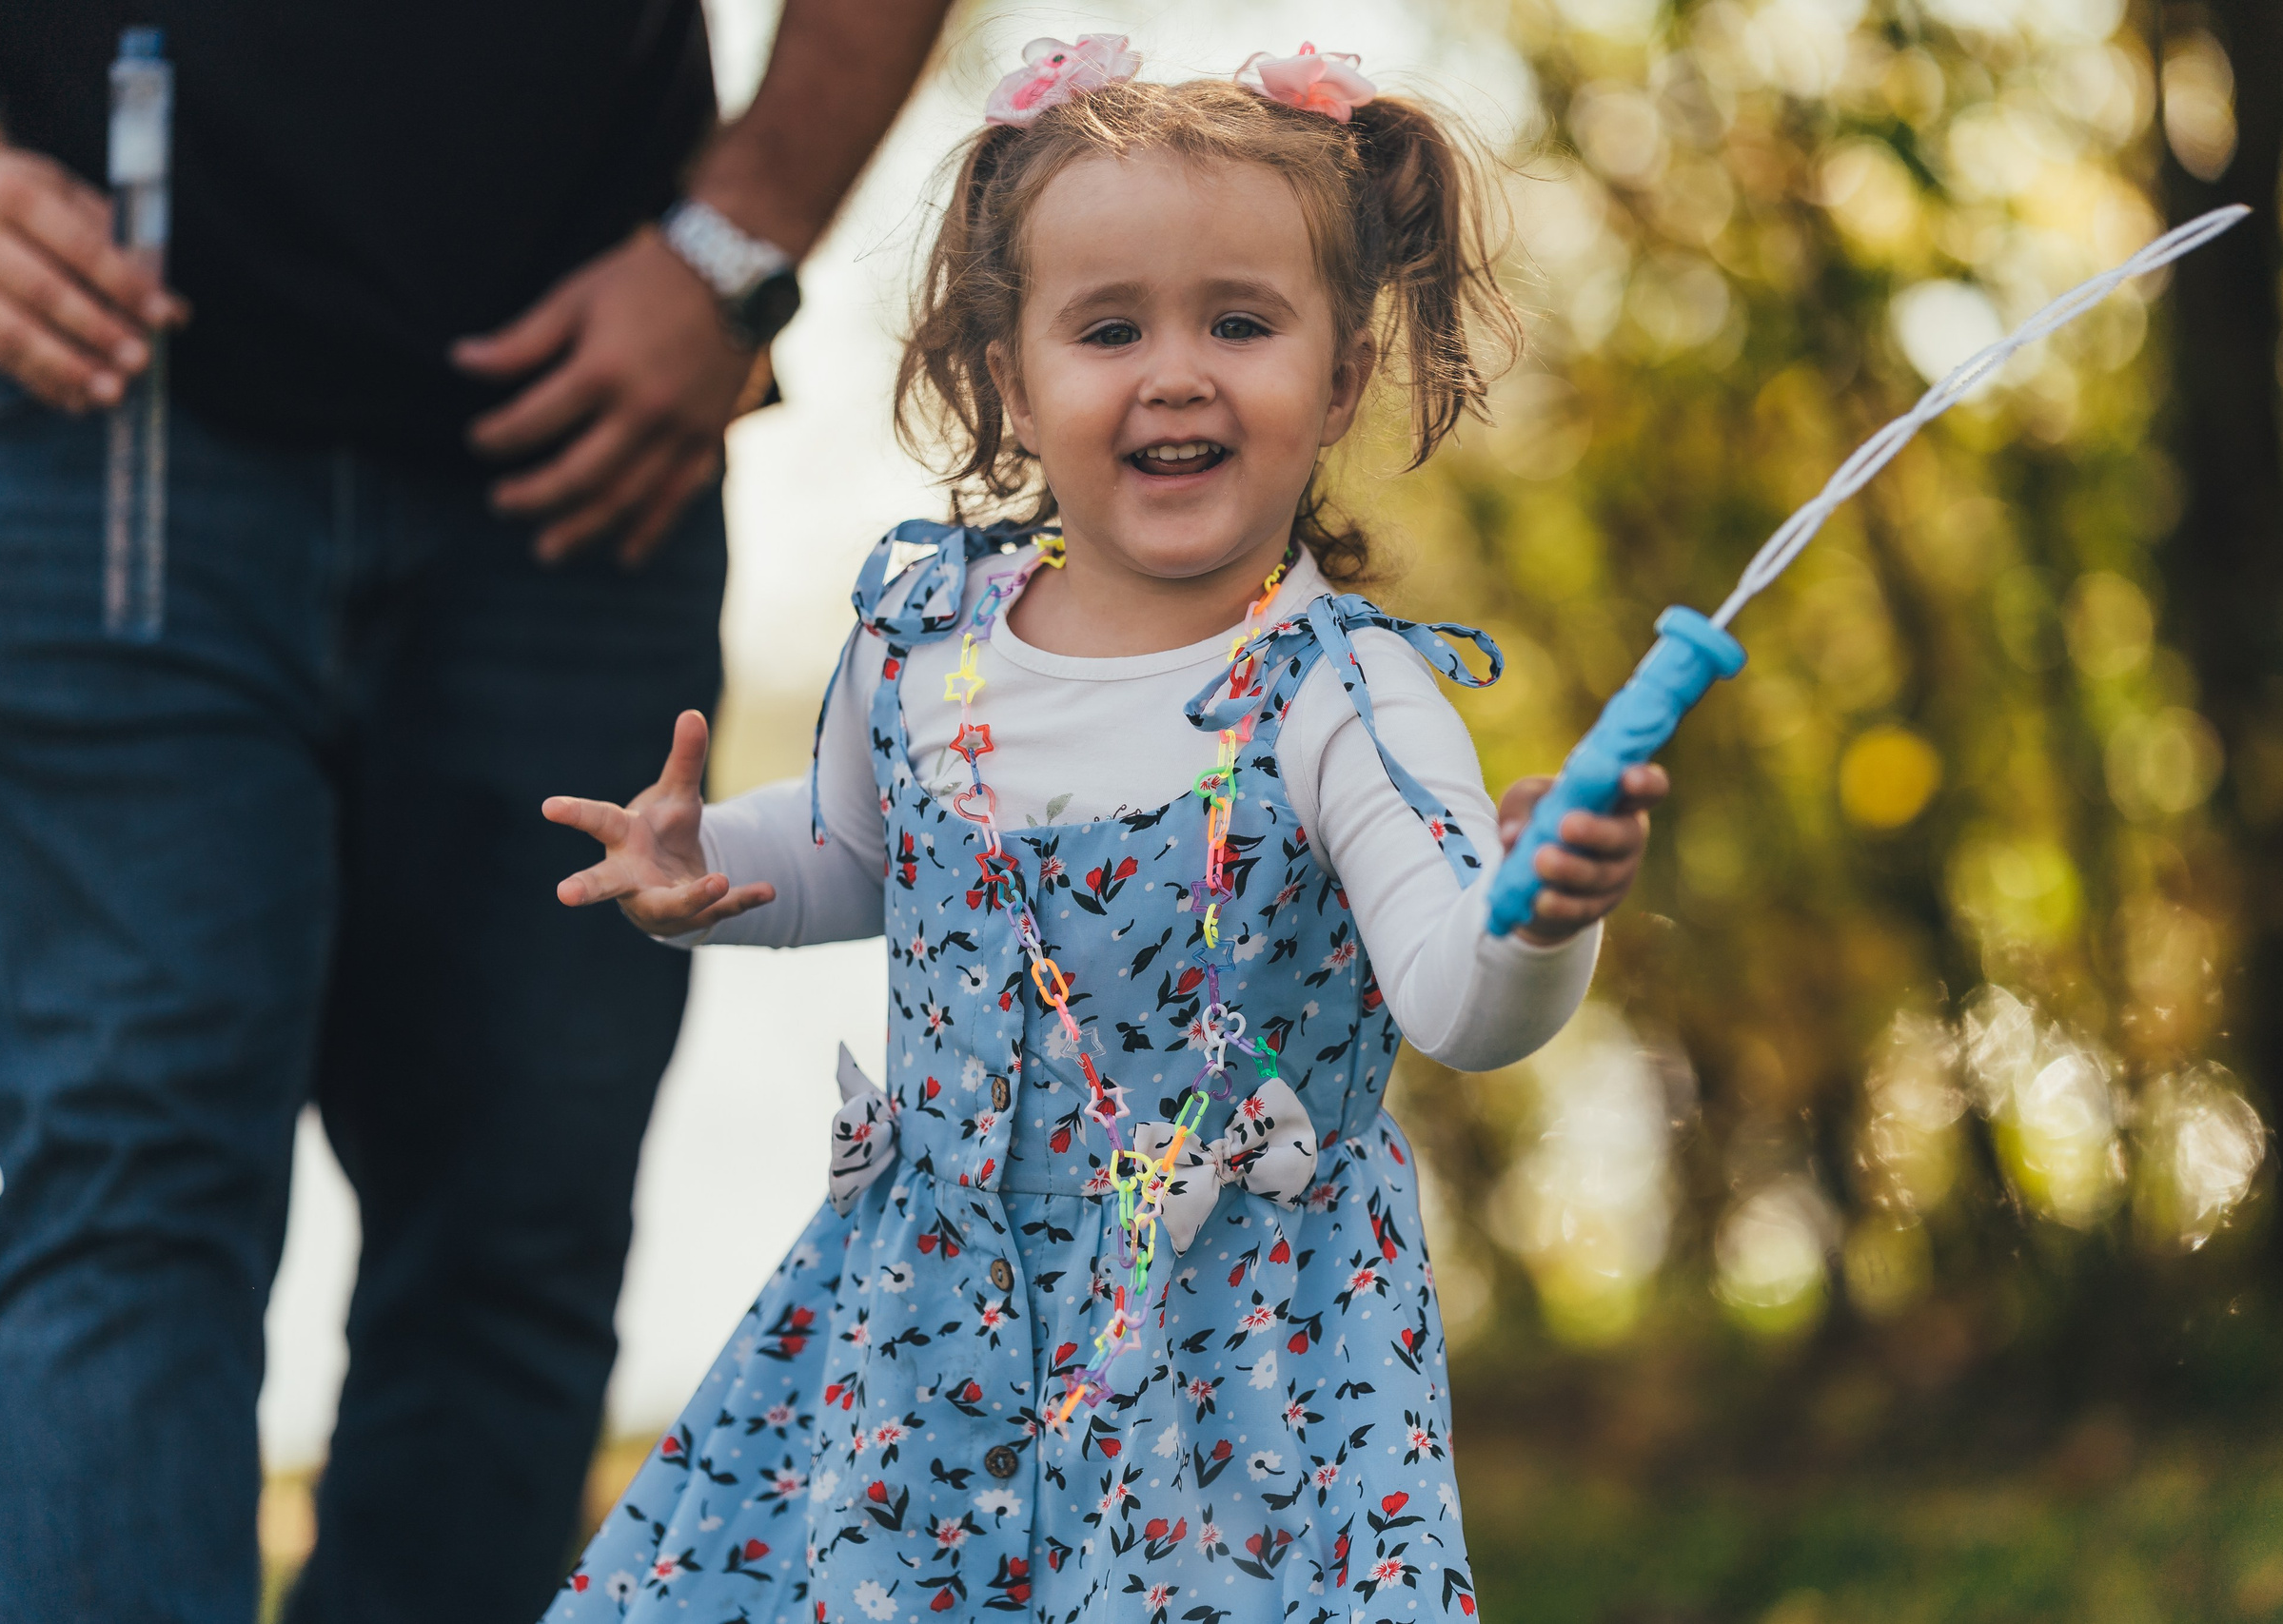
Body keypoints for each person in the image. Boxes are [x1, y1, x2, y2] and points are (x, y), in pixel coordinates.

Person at [536, 39, 1669, 1622]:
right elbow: (865, 853)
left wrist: (1542, 919)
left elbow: (1459, 1004)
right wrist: (709, 870)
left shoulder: (1344, 698)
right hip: (926, 1337)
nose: (1177, 371)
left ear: (1340, 375)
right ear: (1013, 375)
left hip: (1239, 1377)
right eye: (1111, 327)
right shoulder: (928, 640)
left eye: (1243, 323)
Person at [0, 3, 948, 1621]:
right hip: (105, 405)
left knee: (523, 1219)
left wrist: (737, 244)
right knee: (129, 1178)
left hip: (587, 426)